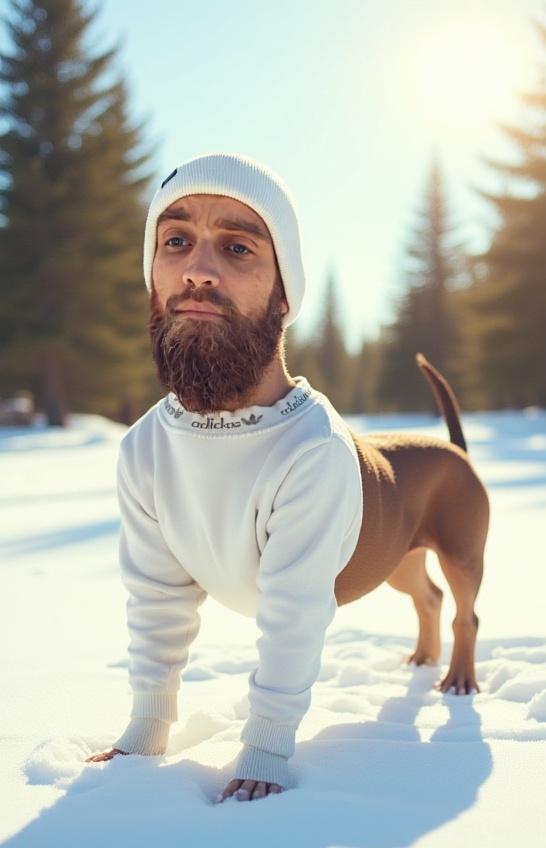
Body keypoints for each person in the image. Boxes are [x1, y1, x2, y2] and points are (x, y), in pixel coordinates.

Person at [85, 152, 364, 804]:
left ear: (285, 292)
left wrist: (265, 745)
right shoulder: (146, 449)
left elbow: (296, 613)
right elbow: (157, 594)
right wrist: (147, 727)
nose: (198, 272)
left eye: (237, 248)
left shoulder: (310, 450)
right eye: (175, 241)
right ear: (152, 274)